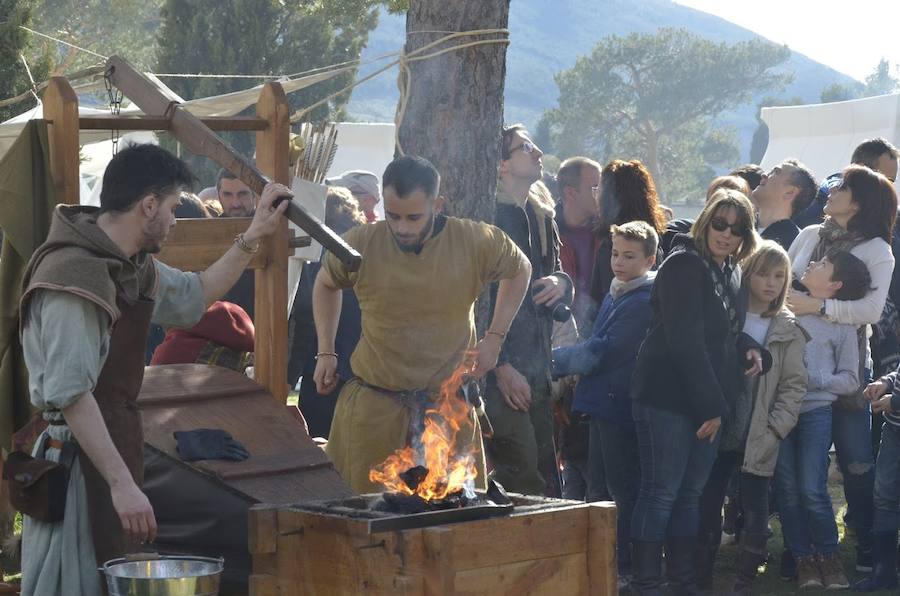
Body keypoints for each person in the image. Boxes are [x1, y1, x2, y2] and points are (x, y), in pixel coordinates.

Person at [18, 144, 288, 596]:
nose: (174, 217)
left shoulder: (127, 264)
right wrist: (122, 485)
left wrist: (253, 233)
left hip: (111, 449)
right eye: (170, 206)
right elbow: (73, 395)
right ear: (147, 206)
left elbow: (195, 295)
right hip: (77, 464)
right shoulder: (75, 277)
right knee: (76, 583)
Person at [312, 155, 531, 493]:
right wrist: (325, 352)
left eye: (413, 217)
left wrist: (495, 338)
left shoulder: (473, 241)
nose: (401, 227)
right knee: (362, 522)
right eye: (393, 216)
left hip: (446, 410)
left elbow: (521, 269)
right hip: (374, 410)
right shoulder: (360, 242)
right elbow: (325, 283)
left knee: (454, 523)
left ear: (437, 204)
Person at [628, 189, 762, 595]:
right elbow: (684, 340)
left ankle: (682, 582)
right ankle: (646, 583)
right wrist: (713, 408)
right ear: (705, 221)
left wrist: (751, 348)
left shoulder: (731, 270)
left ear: (744, 236)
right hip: (668, 397)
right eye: (719, 224)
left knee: (689, 496)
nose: (725, 234)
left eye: (736, 229)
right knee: (661, 492)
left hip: (706, 400)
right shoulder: (684, 264)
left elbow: (722, 334)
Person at [786, 164, 898, 576]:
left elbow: (869, 310)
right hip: (796, 365)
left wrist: (817, 307)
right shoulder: (810, 234)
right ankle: (802, 550)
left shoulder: (876, 249)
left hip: (848, 365)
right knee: (799, 462)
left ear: (862, 201)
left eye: (842, 186)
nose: (831, 190)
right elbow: (784, 285)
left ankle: (866, 543)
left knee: (855, 459)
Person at [694, 241, 808, 595]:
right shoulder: (731, 314)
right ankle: (700, 576)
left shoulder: (787, 327)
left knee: (755, 504)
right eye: (762, 273)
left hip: (761, 429)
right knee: (709, 499)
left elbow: (794, 386)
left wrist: (776, 427)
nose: (770, 283)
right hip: (722, 422)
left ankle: (744, 580)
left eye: (779, 276)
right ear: (746, 273)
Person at [552, 220, 658, 588]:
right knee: (596, 486)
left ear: (650, 259)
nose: (619, 262)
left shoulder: (642, 300)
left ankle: (624, 564)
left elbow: (605, 349)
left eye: (630, 256)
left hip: (618, 406)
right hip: (600, 404)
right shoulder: (619, 291)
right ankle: (602, 557)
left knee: (620, 489)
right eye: (615, 253)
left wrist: (554, 361)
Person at [776, 251, 873, 590]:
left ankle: (828, 556)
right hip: (778, 412)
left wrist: (816, 378)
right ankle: (803, 558)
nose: (813, 264)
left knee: (812, 487)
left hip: (816, 412)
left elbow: (851, 380)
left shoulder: (842, 325)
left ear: (834, 285)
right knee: (787, 489)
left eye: (822, 265)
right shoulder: (782, 308)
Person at [486, 124, 572, 497]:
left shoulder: (542, 216)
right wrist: (501, 367)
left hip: (537, 366)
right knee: (521, 479)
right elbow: (479, 301)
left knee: (546, 475)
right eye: (525, 148)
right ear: (501, 165)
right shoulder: (488, 217)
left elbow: (556, 275)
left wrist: (561, 283)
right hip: (497, 372)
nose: (537, 153)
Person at [287, 187, 366, 439]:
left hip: (322, 364)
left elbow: (306, 312)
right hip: (361, 367)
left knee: (321, 443)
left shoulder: (317, 253)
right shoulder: (364, 250)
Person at [589, 159, 666, 304]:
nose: (595, 197)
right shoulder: (653, 240)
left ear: (609, 197)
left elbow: (605, 300)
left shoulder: (616, 244)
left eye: (598, 190)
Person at [858, 352, 900, 591]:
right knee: (884, 498)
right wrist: (886, 382)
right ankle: (884, 572)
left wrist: (893, 402)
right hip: (894, 431)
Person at [795, 138, 899, 230]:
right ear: (860, 169)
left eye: (890, 182)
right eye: (883, 179)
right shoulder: (833, 190)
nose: (887, 188)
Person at [555, 156, 602, 331]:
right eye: (595, 188)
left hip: (599, 336)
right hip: (561, 333)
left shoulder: (610, 233)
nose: (602, 194)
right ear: (570, 193)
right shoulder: (544, 233)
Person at [660, 175, 749, 257]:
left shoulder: (735, 268)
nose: (727, 234)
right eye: (719, 223)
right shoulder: (677, 232)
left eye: (737, 228)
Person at [215, 168, 258, 319]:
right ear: (219, 196)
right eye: (227, 195)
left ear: (254, 194)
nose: (235, 203)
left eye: (242, 194)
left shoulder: (273, 230)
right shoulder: (210, 233)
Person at [749, 159, 818, 251]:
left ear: (789, 192)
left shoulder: (794, 243)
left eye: (776, 172)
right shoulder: (741, 224)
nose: (764, 175)